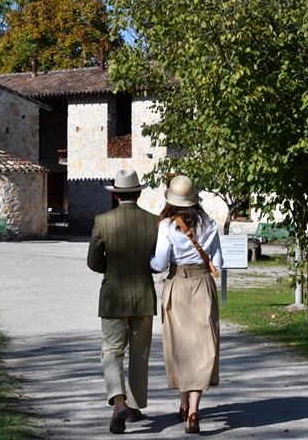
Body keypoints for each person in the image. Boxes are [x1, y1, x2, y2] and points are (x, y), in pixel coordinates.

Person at [87, 169, 159, 434]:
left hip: (113, 295)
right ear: (138, 193)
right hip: (143, 295)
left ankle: (118, 400)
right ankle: (135, 405)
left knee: (112, 351)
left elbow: (93, 261)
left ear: (116, 195)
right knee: (139, 352)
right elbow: (158, 262)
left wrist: (112, 269)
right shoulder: (154, 221)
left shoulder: (102, 221)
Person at [150, 175, 223, 435]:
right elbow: (219, 263)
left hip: (177, 282)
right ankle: (194, 409)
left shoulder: (167, 226)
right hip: (203, 283)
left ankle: (183, 405)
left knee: (179, 344)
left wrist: (147, 262)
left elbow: (159, 264)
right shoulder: (210, 224)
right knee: (204, 345)